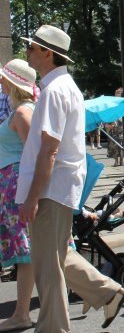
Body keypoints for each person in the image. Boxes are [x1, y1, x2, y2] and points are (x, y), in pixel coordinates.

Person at [17, 24, 124, 331]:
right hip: (59, 186)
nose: (27, 51)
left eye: (32, 47)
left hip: (51, 188)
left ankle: (53, 327)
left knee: (47, 265)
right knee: (57, 255)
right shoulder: (64, 86)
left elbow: (49, 150)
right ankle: (108, 293)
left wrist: (32, 197)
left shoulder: (53, 90)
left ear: (48, 54)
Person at [0, 59, 37, 332]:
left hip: (16, 188)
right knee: (27, 251)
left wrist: (28, 195)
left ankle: (22, 313)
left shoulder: (23, 111)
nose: (1, 82)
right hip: (12, 186)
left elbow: (32, 156)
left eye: (4, 78)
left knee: (26, 252)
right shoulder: (20, 109)